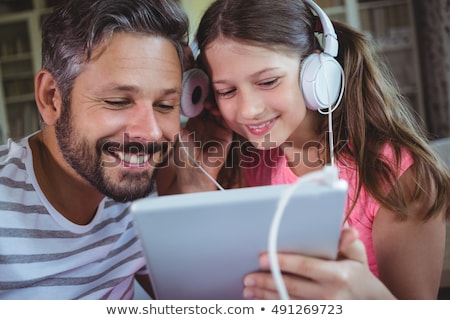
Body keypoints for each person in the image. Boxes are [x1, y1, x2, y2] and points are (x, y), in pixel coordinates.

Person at [158, 0, 450, 299]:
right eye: (226, 91)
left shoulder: (397, 176)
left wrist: (366, 299)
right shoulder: (240, 164)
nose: (249, 110)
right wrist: (199, 177)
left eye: (268, 81)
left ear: (318, 74)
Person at [0, 0, 189, 299]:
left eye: (165, 105)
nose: (152, 132)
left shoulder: (141, 191)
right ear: (52, 98)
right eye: (118, 102)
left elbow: (189, 302)